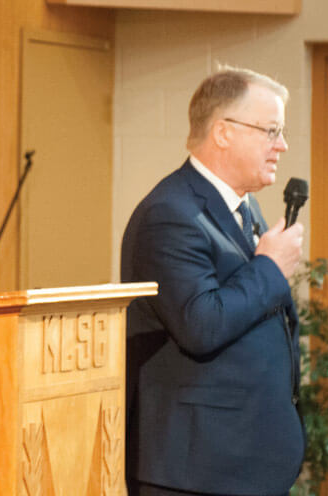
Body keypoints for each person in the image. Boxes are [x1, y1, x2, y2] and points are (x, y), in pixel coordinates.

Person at [122, 66, 306, 496]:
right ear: (223, 132)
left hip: (243, 460)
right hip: (195, 470)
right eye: (271, 130)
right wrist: (270, 268)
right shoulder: (171, 213)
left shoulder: (245, 208)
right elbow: (201, 325)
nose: (282, 145)